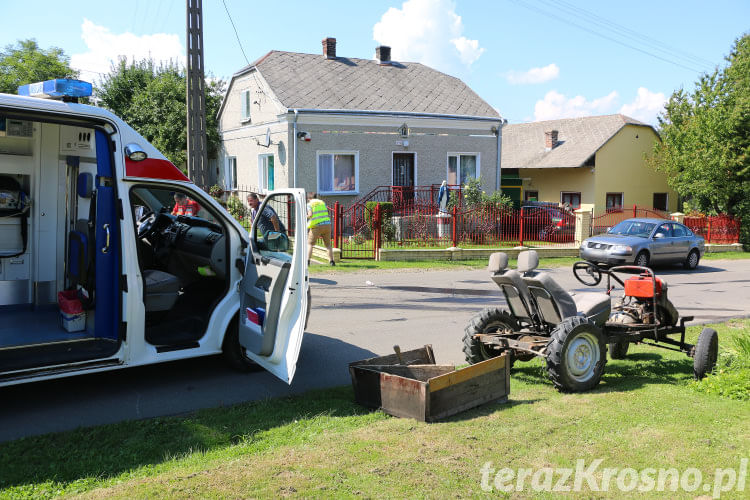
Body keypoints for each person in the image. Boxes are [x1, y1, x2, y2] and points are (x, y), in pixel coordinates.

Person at [307, 192, 335, 266]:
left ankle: (307, 261)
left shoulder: (310, 204)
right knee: (328, 245)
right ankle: (332, 262)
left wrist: (304, 216)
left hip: (317, 226)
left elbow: (310, 215)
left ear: (309, 198)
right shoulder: (322, 203)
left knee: (310, 244)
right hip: (327, 224)